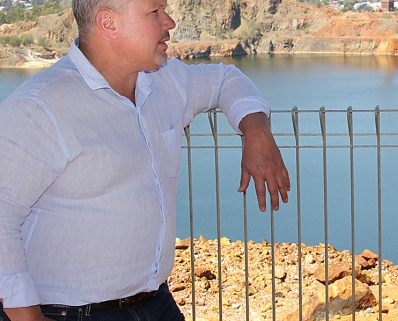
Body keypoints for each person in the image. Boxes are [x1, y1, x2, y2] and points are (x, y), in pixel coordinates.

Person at [0, 0, 291, 320]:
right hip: (68, 313)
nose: (170, 22)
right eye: (155, 12)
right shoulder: (39, 106)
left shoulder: (165, 82)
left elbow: (226, 80)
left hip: (156, 304)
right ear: (109, 23)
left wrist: (256, 130)